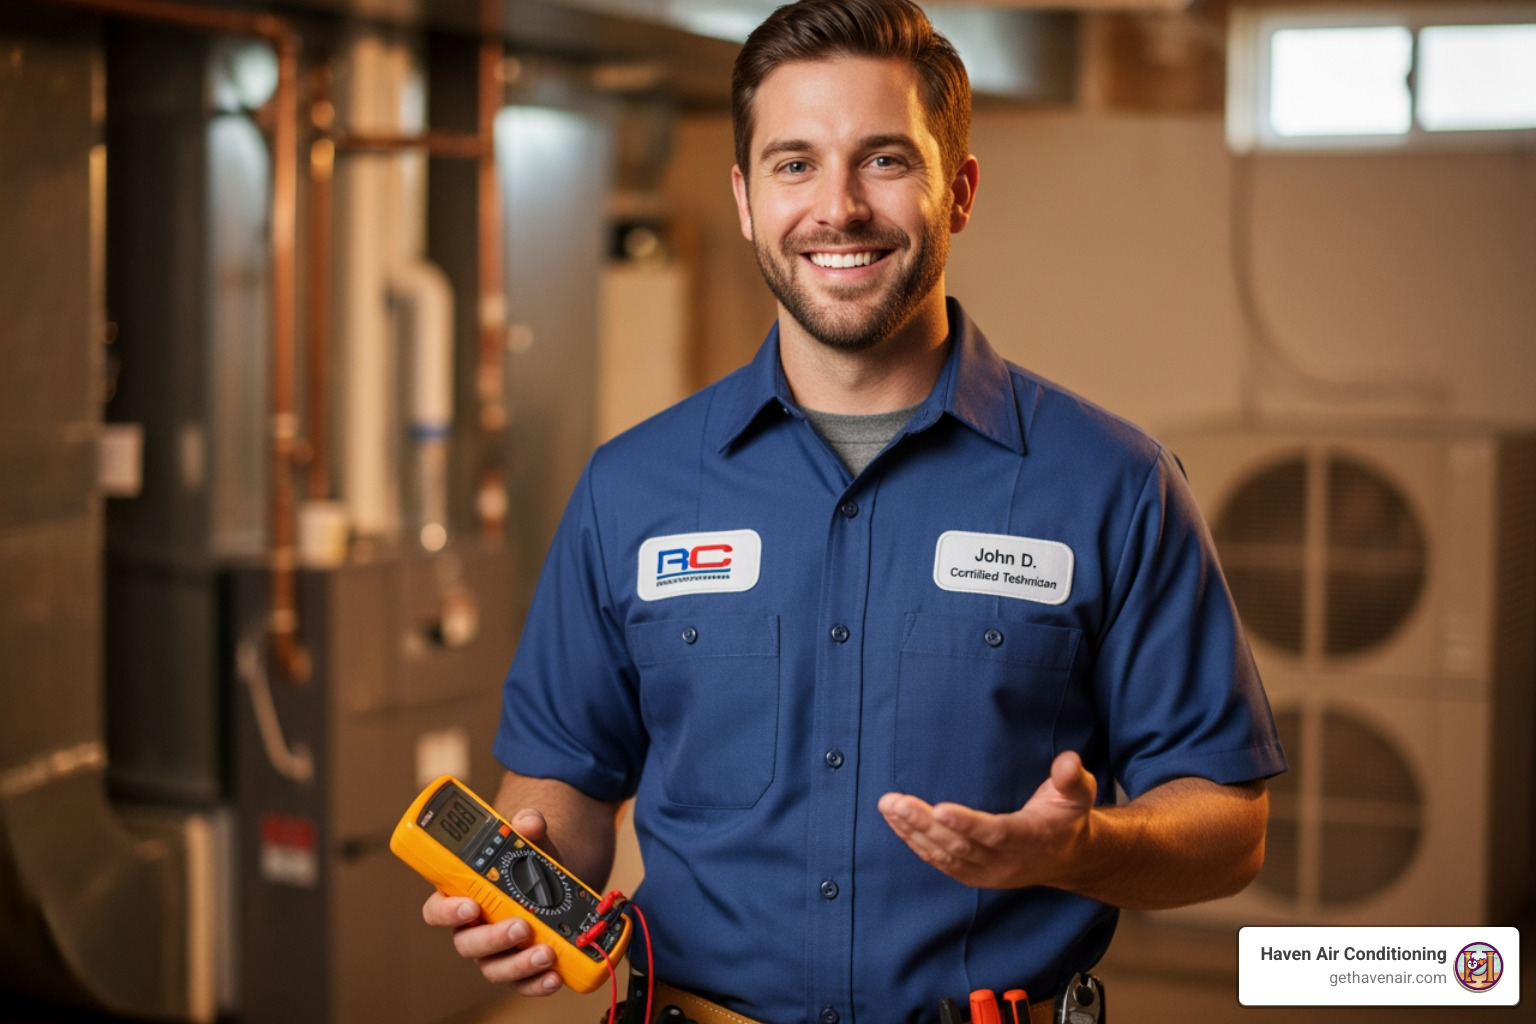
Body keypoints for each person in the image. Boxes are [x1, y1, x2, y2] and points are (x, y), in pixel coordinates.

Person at [423, 1, 1286, 1021]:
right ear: (746, 199)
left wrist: (1084, 848)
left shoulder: (1114, 484)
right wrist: (526, 883)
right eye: (794, 164)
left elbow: (1229, 826)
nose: (838, 208)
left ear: (957, 191)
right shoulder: (631, 489)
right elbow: (560, 784)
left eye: (884, 160)